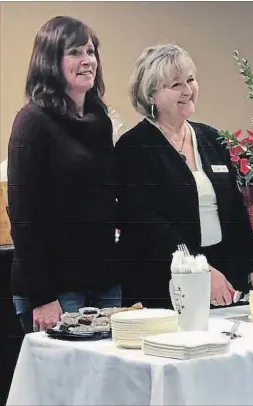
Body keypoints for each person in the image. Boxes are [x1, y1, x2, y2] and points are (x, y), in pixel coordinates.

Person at [115, 44, 253, 309]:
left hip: (223, 278)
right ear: (151, 95)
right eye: (176, 84)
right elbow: (148, 223)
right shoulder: (134, 147)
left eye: (190, 80)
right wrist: (198, 269)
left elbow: (235, 211)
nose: (188, 91)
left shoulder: (211, 138)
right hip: (164, 282)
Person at [8, 16, 121, 334]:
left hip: (103, 282)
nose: (88, 60)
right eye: (75, 52)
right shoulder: (32, 121)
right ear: (50, 61)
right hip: (56, 291)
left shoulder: (100, 119)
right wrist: (42, 296)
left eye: (91, 51)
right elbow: (23, 216)